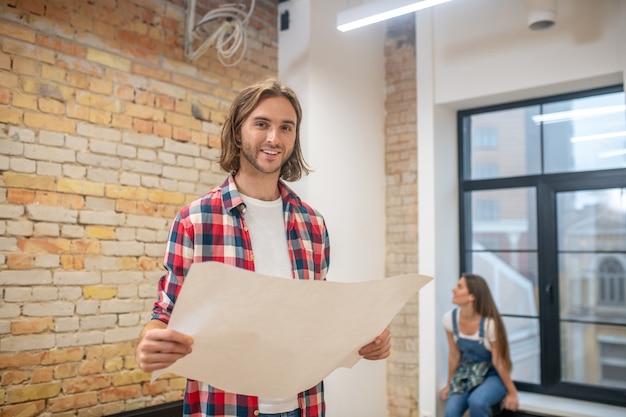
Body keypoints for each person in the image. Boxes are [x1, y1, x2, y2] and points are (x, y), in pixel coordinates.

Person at [135, 78, 391, 417]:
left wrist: (366, 337)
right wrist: (150, 343)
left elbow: (319, 313)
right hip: (226, 406)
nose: (274, 138)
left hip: (303, 405)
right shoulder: (196, 220)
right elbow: (165, 312)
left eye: (286, 127)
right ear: (239, 131)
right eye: (262, 124)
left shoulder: (312, 224)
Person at [440, 273, 519, 417]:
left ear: (472, 296)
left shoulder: (489, 325)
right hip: (465, 374)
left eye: (459, 287)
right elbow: (454, 354)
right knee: (451, 411)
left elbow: (499, 362)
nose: (453, 290)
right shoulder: (449, 319)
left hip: (492, 375)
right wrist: (449, 383)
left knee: (477, 402)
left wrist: (513, 393)